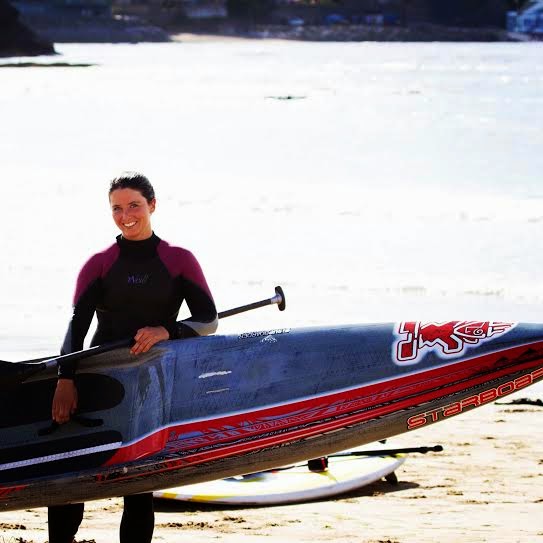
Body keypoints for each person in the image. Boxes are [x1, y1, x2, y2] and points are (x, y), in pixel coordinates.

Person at [49, 172, 218, 543]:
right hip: (98, 374)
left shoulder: (179, 260)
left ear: (152, 205)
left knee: (139, 481)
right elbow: (77, 329)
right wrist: (66, 379)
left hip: (148, 379)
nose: (126, 215)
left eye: (134, 205)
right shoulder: (99, 263)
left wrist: (166, 331)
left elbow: (208, 319)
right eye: (117, 208)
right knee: (72, 474)